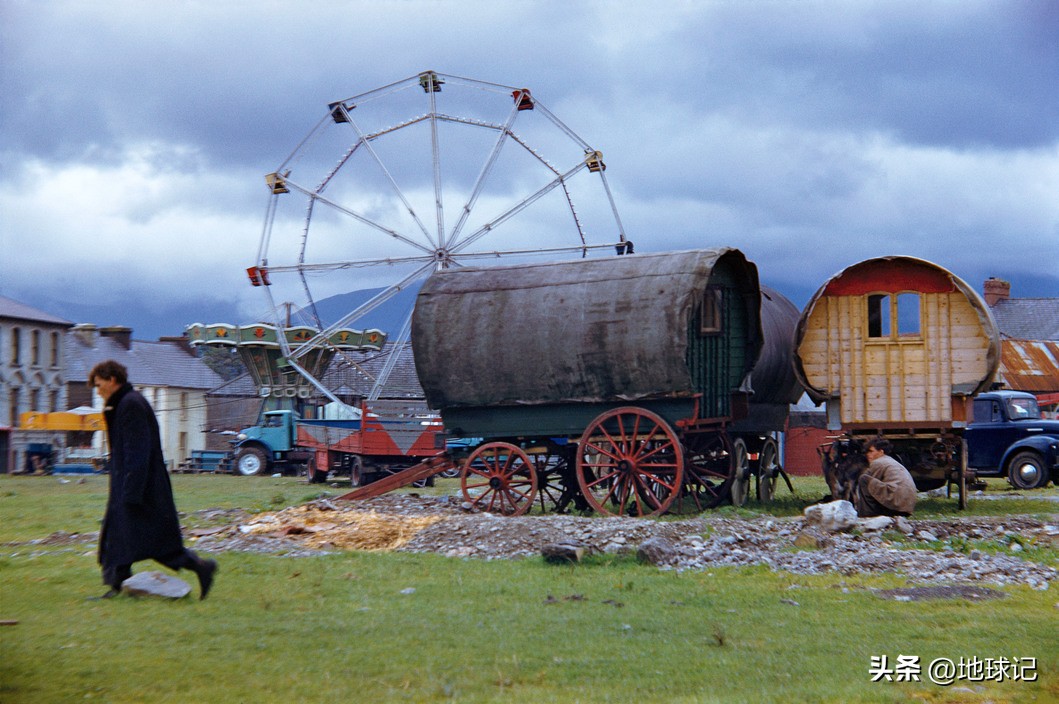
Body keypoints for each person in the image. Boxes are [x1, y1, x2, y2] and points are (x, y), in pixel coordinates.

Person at [90, 360, 218, 599]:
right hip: (131, 484)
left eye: (99, 385)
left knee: (154, 541)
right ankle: (117, 586)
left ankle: (202, 567)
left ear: (112, 380)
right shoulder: (123, 404)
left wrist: (131, 491)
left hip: (140, 487)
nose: (98, 391)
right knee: (120, 537)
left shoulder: (130, 405)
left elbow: (137, 451)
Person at [855, 436, 917, 517]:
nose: (868, 455)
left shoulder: (878, 462)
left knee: (864, 479)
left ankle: (867, 516)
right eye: (867, 452)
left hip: (895, 505)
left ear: (881, 452)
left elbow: (870, 490)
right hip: (906, 507)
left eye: (871, 451)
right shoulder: (890, 461)